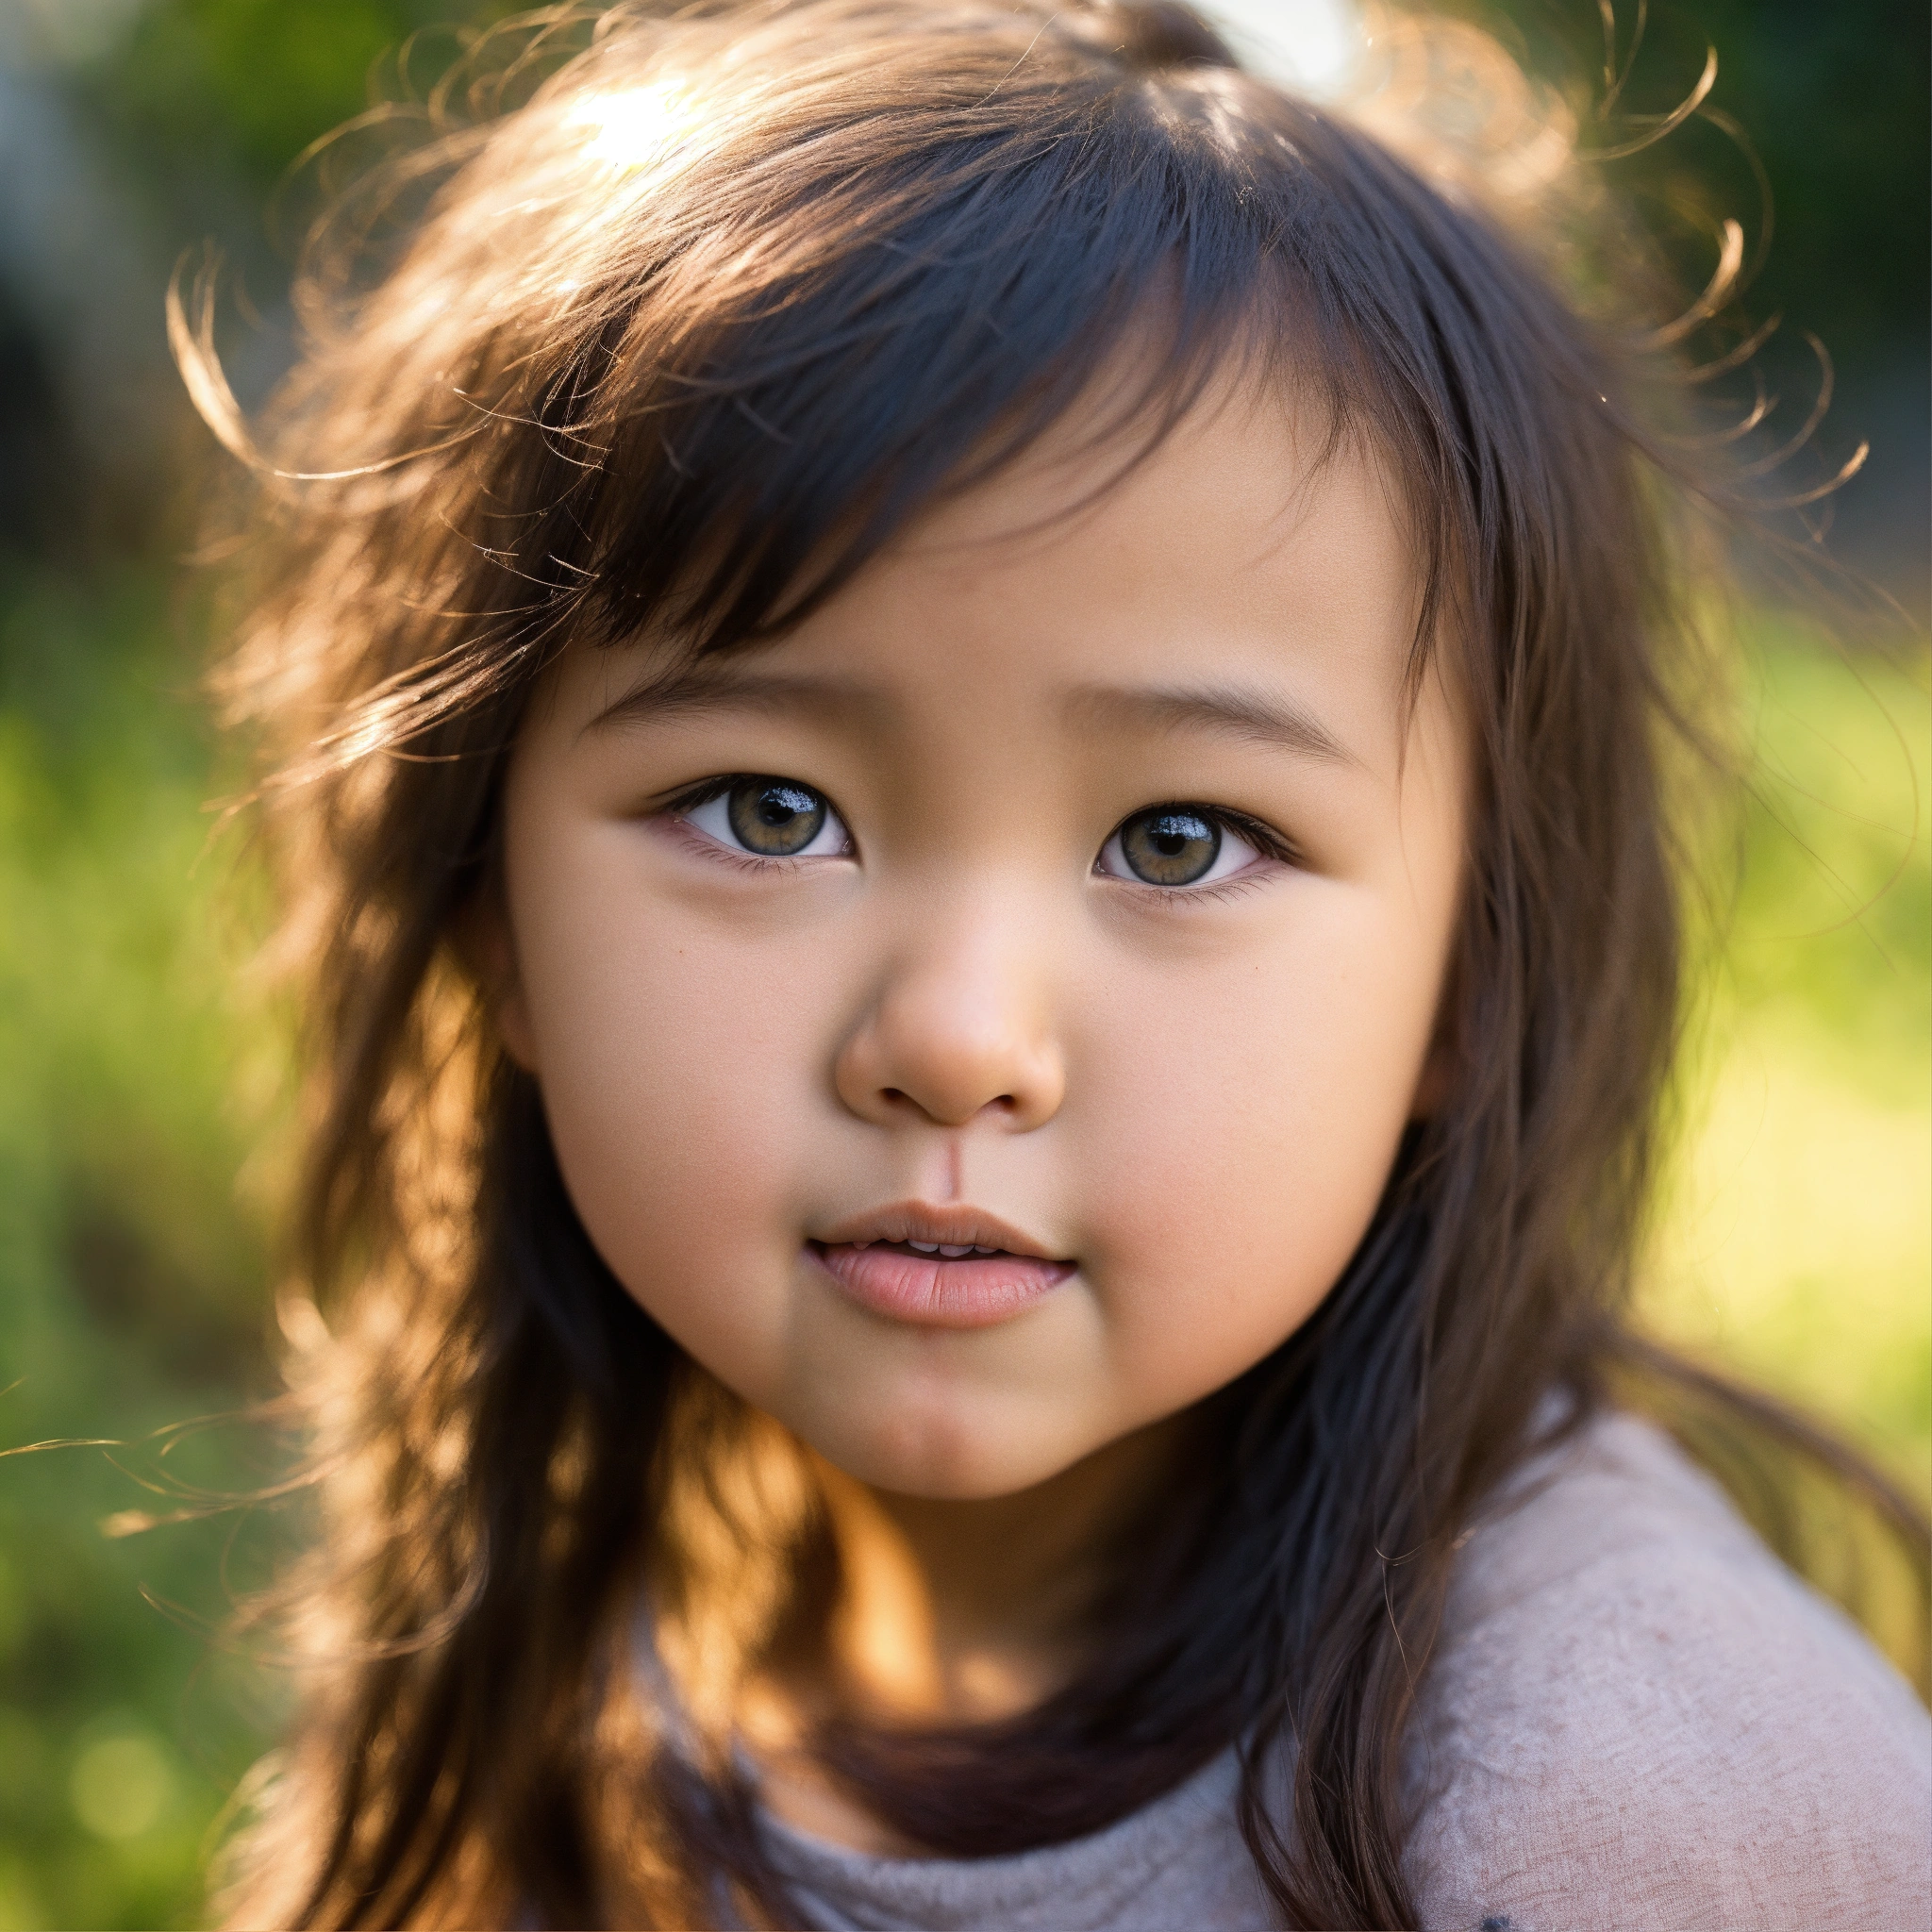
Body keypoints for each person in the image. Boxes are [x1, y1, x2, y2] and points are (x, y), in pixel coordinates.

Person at [177, 1, 1930, 1924]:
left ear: (1468, 975)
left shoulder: (1637, 1813)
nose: (953, 1041)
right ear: (490, 901)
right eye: (768, 809)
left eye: (1178, 842)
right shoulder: (557, 1634)